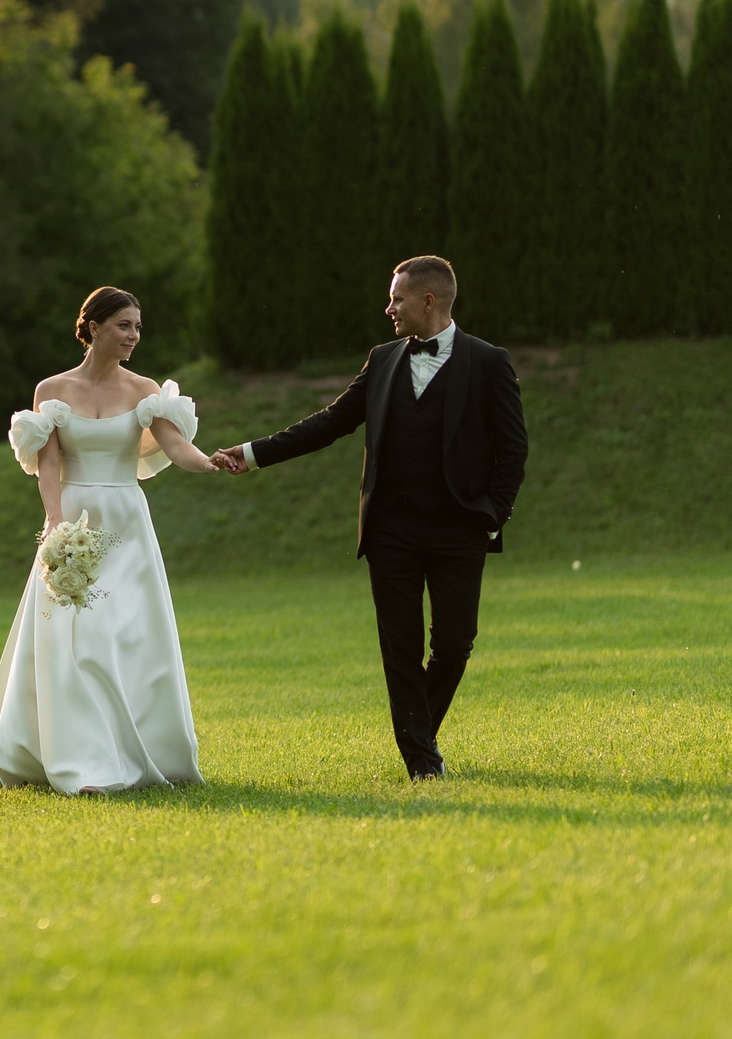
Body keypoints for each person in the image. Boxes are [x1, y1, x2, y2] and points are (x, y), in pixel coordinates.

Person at [210, 255, 527, 781]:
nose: (389, 308)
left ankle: (418, 733)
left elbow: (513, 450)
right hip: (391, 531)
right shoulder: (381, 360)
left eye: (397, 298)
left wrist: (490, 517)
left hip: (460, 530)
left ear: (428, 301)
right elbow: (332, 421)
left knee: (453, 644)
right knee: (399, 646)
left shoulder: (489, 362)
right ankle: (422, 761)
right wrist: (254, 452)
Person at [0, 286, 221, 794]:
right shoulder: (52, 390)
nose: (134, 336)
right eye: (125, 325)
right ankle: (81, 762)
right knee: (74, 639)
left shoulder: (144, 389)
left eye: (138, 327)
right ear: (95, 328)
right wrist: (56, 524)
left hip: (127, 523)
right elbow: (49, 462)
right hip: (74, 520)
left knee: (126, 634)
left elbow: (177, 446)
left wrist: (213, 462)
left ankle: (146, 750)